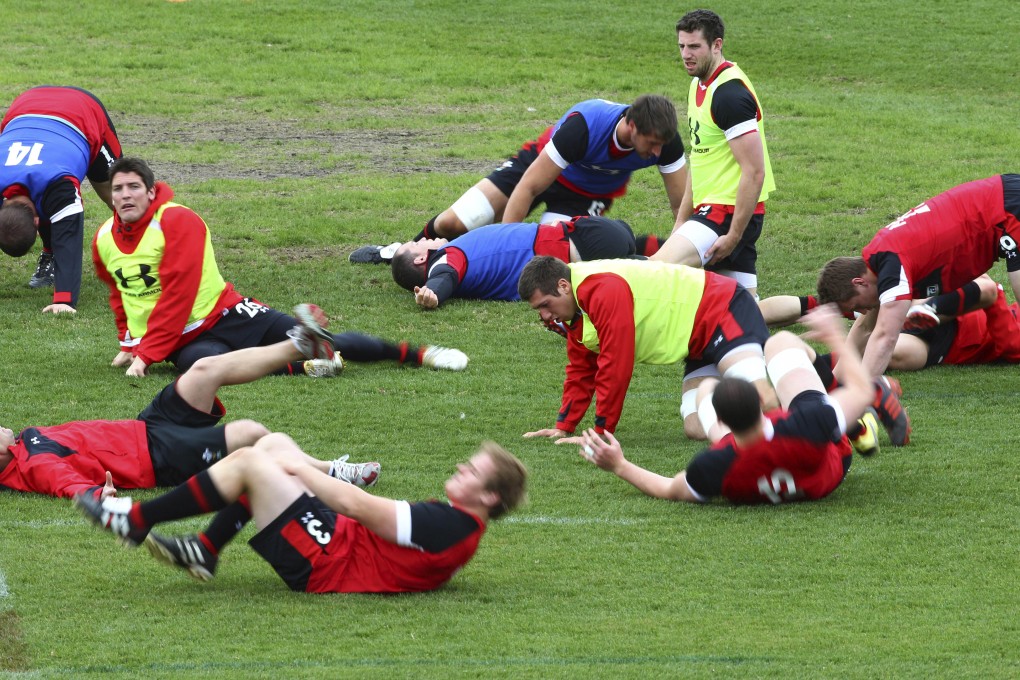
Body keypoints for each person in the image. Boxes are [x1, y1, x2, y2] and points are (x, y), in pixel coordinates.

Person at [93, 157, 468, 377]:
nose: (124, 195)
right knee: (202, 368)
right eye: (118, 189)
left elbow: (180, 294)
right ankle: (309, 367)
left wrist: (146, 354)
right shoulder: (104, 237)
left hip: (228, 313)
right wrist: (128, 343)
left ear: (152, 192)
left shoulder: (178, 222)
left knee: (317, 339)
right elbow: (118, 294)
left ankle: (419, 354)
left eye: (133, 187)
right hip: (184, 340)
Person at [0, 304, 380, 500]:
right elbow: (65, 482)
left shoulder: (23, 445)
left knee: (203, 369)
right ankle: (330, 472)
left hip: (146, 427)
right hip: (158, 457)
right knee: (250, 434)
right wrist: (96, 494)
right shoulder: (32, 464)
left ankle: (298, 343)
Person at [76, 434, 527, 592]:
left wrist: (299, 472)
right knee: (271, 446)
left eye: (472, 471)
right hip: (334, 542)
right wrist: (296, 466)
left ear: (488, 498)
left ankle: (136, 521)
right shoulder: (458, 523)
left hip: (325, 562)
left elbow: (354, 504)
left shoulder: (451, 525)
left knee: (258, 461)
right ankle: (206, 550)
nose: (461, 468)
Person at [572, 304, 872, 505]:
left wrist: (619, 465)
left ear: (722, 422)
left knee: (706, 389)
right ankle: (845, 413)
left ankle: (844, 414)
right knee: (780, 344)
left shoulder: (714, 464)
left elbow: (668, 488)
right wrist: (834, 334)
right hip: (831, 469)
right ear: (762, 405)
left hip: (752, 461)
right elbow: (862, 388)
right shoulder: (807, 421)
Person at [350, 95, 687, 263]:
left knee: (553, 260)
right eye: (651, 144)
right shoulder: (585, 127)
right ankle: (400, 251)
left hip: (584, 195)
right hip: (534, 169)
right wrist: (503, 242)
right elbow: (529, 186)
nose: (657, 153)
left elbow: (680, 204)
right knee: (455, 223)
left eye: (661, 145)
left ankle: (650, 254)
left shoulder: (666, 140)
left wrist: (679, 256)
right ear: (630, 126)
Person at [517, 255, 776, 442]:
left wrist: (600, 432)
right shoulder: (576, 307)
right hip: (699, 344)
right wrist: (564, 426)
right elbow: (581, 369)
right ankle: (772, 426)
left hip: (723, 309)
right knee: (697, 427)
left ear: (563, 286)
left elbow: (615, 364)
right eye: (538, 309)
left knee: (760, 397)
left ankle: (806, 411)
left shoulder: (601, 289)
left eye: (545, 305)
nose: (544, 315)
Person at [816, 174, 1020, 379]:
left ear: (859, 282)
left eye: (855, 306)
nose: (861, 312)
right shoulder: (881, 262)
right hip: (1004, 204)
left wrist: (861, 395)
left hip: (1008, 208)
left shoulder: (892, 266)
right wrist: (835, 380)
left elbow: (885, 338)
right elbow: (865, 327)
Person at [642, 10, 775, 299]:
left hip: (726, 214)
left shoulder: (729, 96)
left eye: (694, 47)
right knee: (747, 311)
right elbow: (699, 157)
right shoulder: (698, 84)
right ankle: (827, 308)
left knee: (654, 272)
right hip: (717, 210)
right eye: (682, 46)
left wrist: (734, 236)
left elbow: (755, 172)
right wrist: (681, 221)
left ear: (717, 45)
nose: (686, 55)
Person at [0, 86, 123, 313]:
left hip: (82, 111)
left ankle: (144, 252)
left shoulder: (59, 184)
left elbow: (69, 239)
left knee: (118, 197)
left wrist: (64, 300)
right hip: (28, 102)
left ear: (37, 225)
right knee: (50, 203)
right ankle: (49, 256)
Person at [390, 216, 636, 309]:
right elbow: (445, 275)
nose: (424, 239)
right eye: (417, 243)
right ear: (422, 257)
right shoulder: (445, 258)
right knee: (636, 245)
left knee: (636, 248)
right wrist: (432, 292)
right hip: (580, 242)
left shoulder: (450, 257)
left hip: (585, 244)